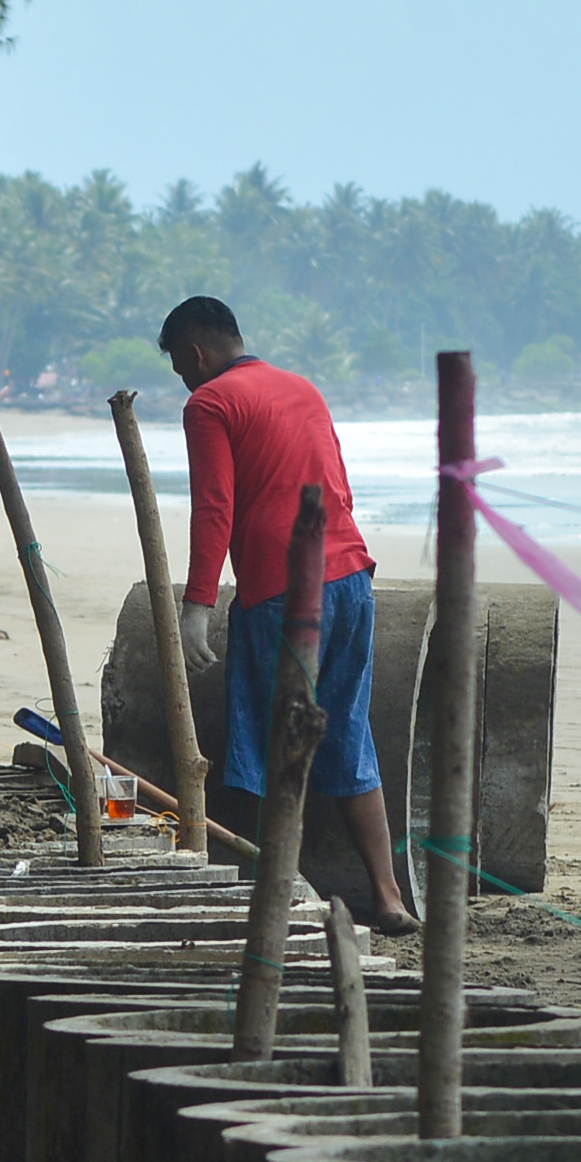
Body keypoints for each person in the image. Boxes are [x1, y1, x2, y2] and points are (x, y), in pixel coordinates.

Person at [161, 296, 418, 933]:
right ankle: (386, 897)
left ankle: (277, 887)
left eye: (181, 369)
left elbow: (213, 509)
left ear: (196, 354)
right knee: (349, 732)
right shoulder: (302, 387)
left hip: (281, 592)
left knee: (265, 739)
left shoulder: (210, 403)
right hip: (351, 574)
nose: (185, 383)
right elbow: (340, 483)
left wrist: (197, 604)